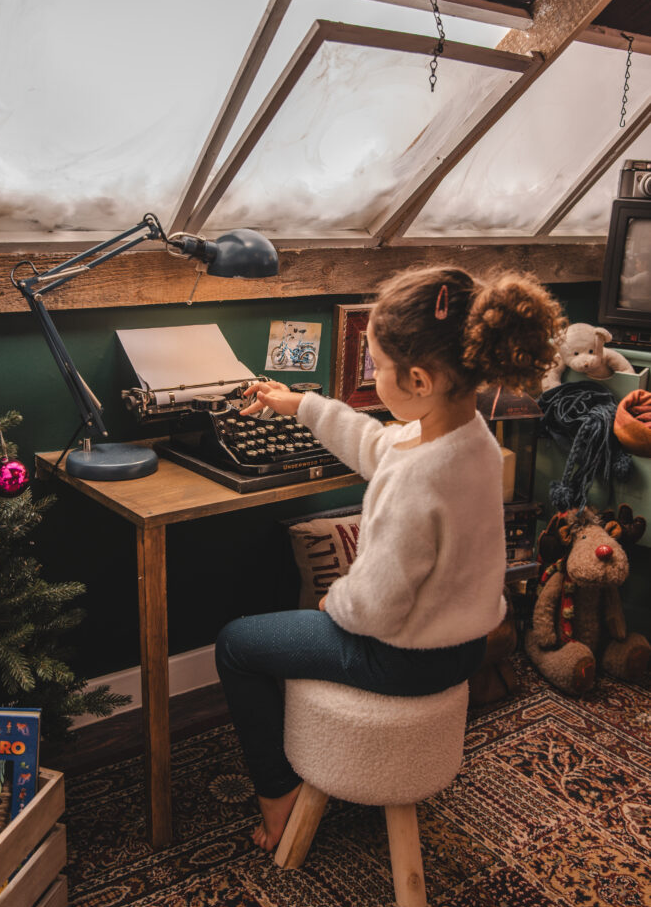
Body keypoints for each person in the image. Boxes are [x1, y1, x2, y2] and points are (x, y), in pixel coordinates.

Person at [215, 266, 565, 852]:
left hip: (403, 657)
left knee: (237, 643)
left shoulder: (420, 481)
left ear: (421, 379)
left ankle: (277, 795)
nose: (373, 375)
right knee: (285, 628)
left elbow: (374, 607)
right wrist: (300, 403)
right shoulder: (467, 434)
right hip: (462, 647)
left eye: (376, 365)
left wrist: (336, 603)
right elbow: (381, 447)